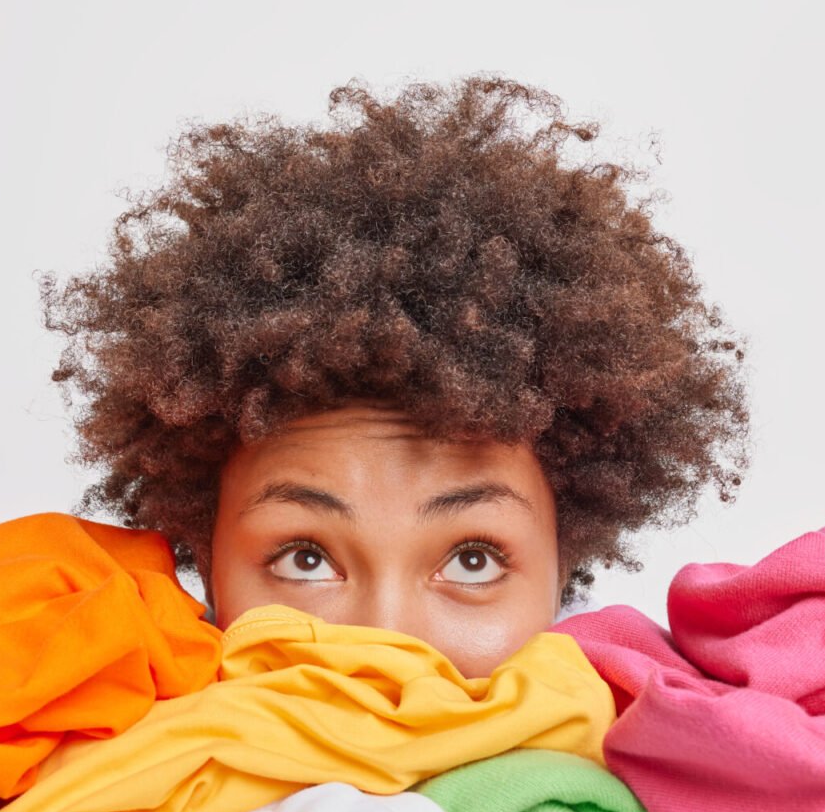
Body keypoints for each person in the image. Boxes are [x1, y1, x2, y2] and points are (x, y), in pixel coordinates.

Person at [41, 75, 749, 676]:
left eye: (473, 560)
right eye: (304, 560)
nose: (385, 648)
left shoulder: (682, 807)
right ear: (207, 569)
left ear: (560, 571)